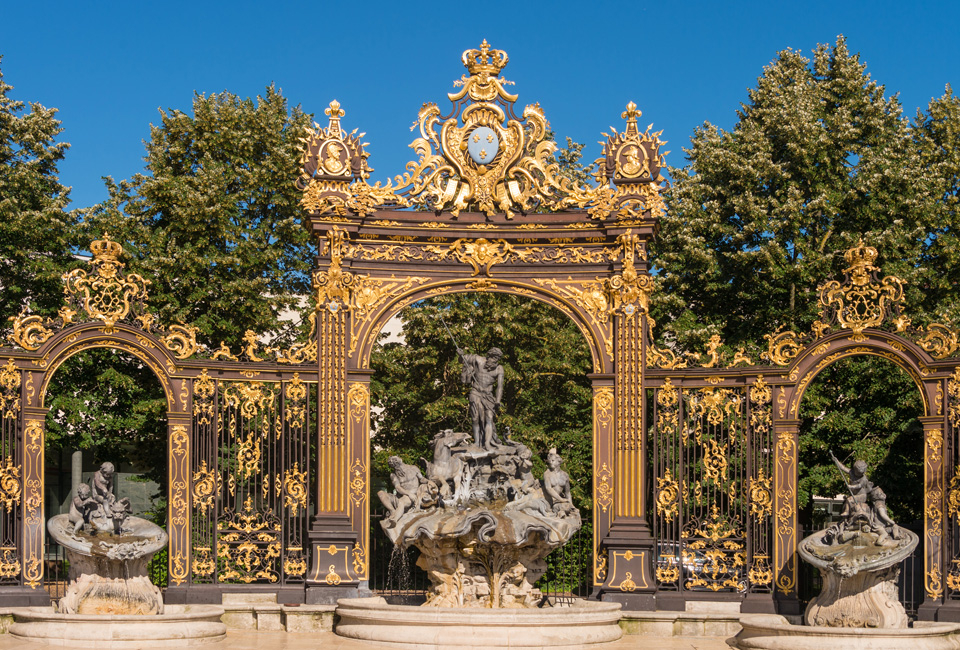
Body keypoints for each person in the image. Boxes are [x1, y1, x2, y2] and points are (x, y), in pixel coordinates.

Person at [458, 347, 504, 450]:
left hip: (488, 396)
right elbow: (462, 360)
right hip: (476, 392)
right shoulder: (478, 360)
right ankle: (477, 442)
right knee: (475, 418)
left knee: (489, 418)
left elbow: (500, 386)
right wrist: (460, 355)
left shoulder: (499, 368)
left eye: (497, 358)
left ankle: (487, 443)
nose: (496, 360)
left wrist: (497, 401)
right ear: (489, 356)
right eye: (494, 357)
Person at [377, 456, 437, 527]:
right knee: (381, 493)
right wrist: (408, 493)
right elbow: (397, 487)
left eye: (396, 465)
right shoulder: (393, 475)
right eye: (393, 466)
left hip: (411, 496)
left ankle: (395, 519)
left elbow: (421, 479)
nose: (396, 468)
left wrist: (429, 481)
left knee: (402, 501)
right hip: (401, 496)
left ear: (401, 462)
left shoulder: (413, 468)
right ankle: (392, 511)